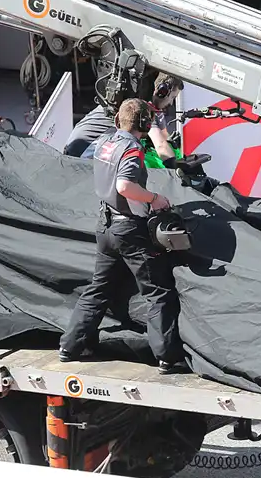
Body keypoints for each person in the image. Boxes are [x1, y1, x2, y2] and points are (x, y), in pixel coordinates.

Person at [59, 98, 183, 374]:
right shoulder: (132, 149)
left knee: (98, 288)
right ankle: (167, 357)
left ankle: (69, 346)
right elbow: (125, 185)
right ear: (144, 124)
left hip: (105, 226)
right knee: (157, 292)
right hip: (129, 229)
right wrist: (155, 198)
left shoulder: (105, 142)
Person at [62, 72, 184, 166]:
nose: (171, 102)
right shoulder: (139, 109)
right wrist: (178, 169)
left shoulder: (144, 102)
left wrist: (171, 143)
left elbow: (164, 136)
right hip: (82, 153)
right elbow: (161, 146)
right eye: (172, 97)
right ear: (162, 92)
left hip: (79, 145)